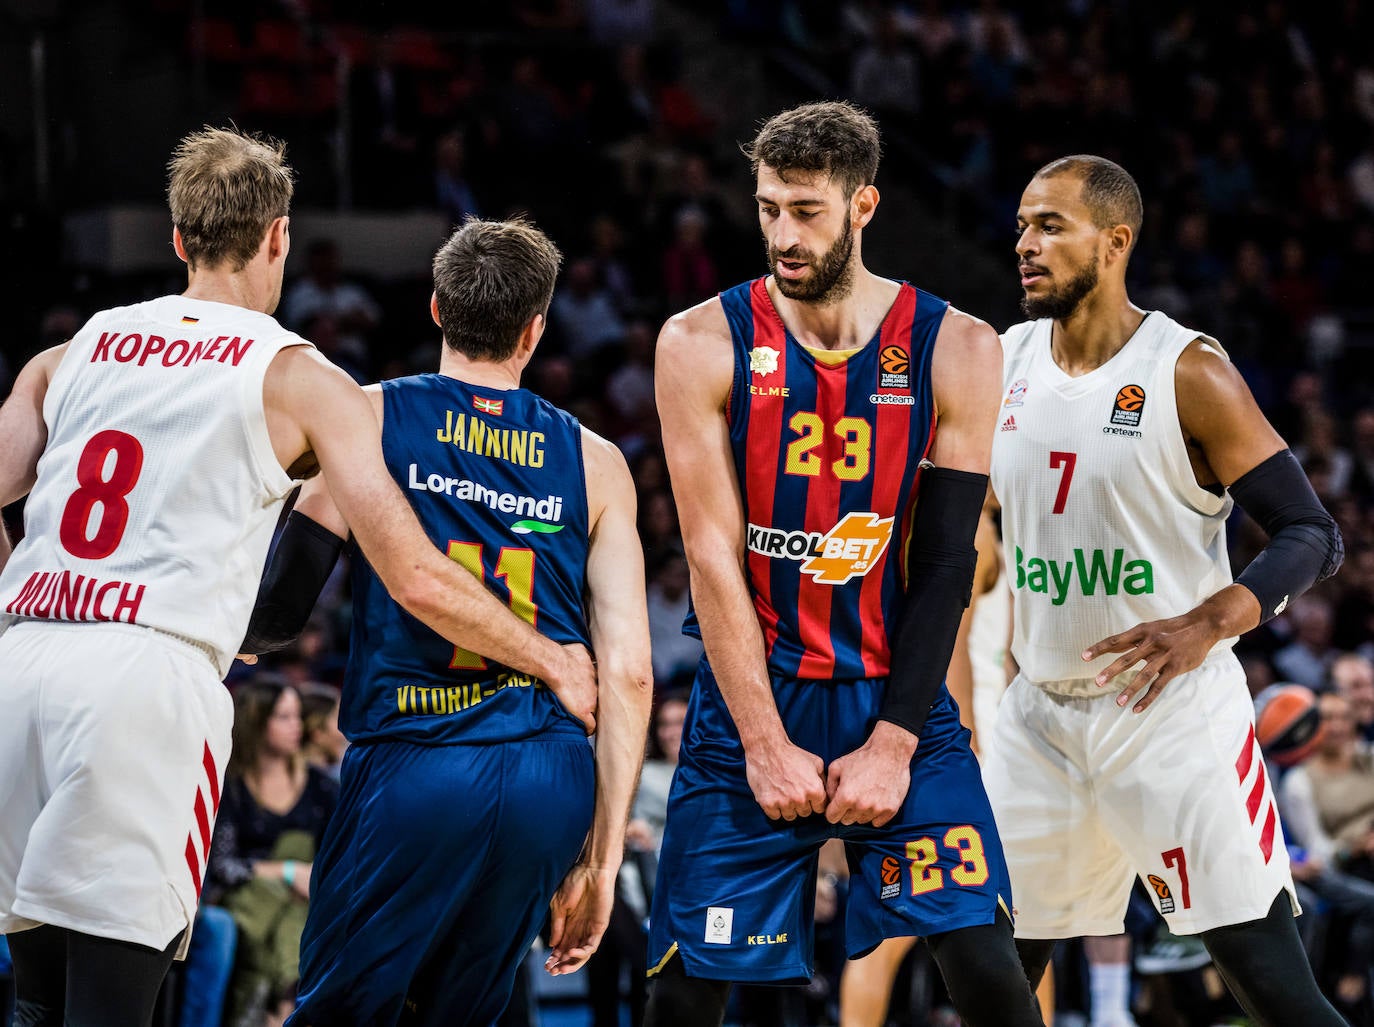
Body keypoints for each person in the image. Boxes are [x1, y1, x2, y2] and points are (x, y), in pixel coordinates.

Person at [0, 127, 595, 1027]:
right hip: (146, 676)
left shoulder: (74, 348)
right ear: (279, 235)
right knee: (115, 996)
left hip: (25, 658)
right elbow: (414, 575)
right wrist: (552, 658)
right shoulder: (302, 377)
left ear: (178, 238)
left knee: (37, 997)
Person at [645, 100, 1042, 1027]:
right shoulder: (699, 341)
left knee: (989, 968)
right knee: (683, 995)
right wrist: (763, 742)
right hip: (754, 699)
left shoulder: (958, 344)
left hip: (896, 698)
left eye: (807, 210)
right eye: (768, 208)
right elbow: (710, 557)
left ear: (864, 205)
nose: (784, 234)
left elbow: (946, 561)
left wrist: (896, 742)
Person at [242, 216, 653, 1026]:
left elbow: (281, 612)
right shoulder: (598, 461)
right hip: (549, 773)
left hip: (417, 760)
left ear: (435, 307)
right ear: (535, 331)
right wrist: (602, 861)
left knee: (340, 1011)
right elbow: (631, 674)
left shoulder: (364, 416)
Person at [982, 154, 1346, 1026]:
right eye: (1022, 225)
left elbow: (1311, 532)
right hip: (1039, 717)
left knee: (1272, 988)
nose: (1025, 244)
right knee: (989, 978)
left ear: (1116, 243)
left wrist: (1211, 619)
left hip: (1170, 713)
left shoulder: (1187, 370)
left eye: (1050, 226)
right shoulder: (1002, 360)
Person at [207, 679, 337, 1026]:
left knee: (297, 913)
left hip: (307, 896)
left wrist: (308, 878)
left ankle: (264, 1008)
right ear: (256, 721)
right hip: (247, 896)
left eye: (297, 716)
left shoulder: (322, 786)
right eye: (284, 717)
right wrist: (287, 871)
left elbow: (339, 857)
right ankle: (281, 1007)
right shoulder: (231, 786)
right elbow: (221, 866)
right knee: (269, 904)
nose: (297, 726)